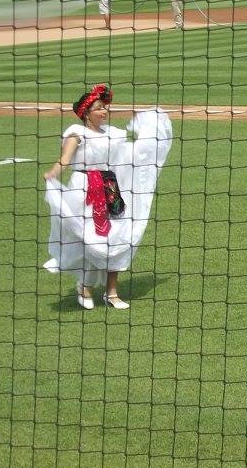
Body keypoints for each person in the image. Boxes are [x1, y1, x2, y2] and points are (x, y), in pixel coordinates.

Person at [42, 84, 173, 310]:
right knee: (88, 238)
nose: (104, 111)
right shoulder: (77, 133)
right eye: (98, 108)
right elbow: (64, 159)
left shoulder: (112, 134)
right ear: (86, 113)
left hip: (110, 188)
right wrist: (53, 173)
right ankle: (84, 285)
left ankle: (111, 293)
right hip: (84, 189)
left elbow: (129, 152)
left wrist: (149, 132)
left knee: (117, 237)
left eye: (104, 108)